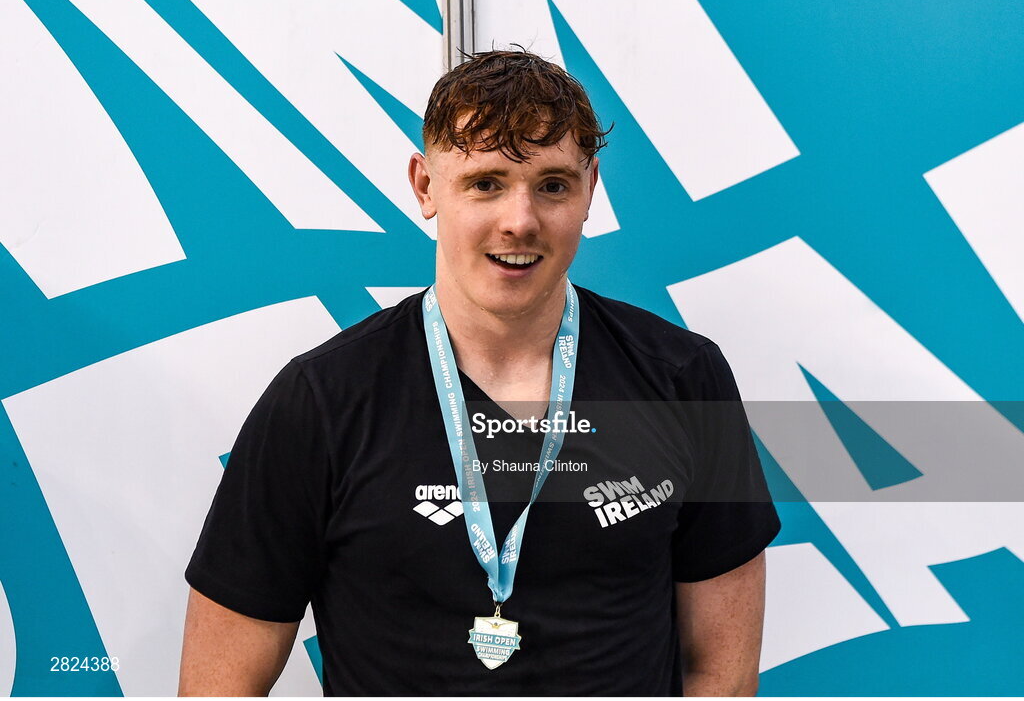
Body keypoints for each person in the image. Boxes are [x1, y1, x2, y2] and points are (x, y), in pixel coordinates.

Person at [179, 48, 781, 696]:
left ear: (590, 190)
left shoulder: (683, 379)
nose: (519, 221)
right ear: (425, 186)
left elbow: (721, 670)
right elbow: (220, 683)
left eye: (552, 184)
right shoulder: (321, 403)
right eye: (486, 182)